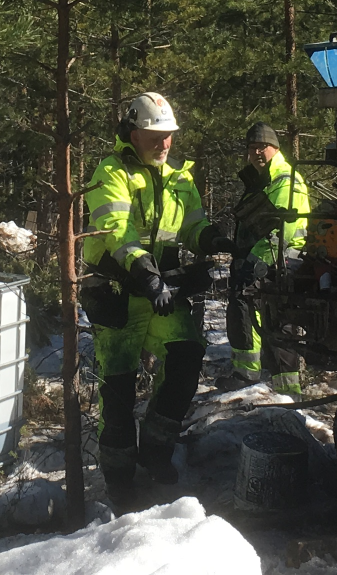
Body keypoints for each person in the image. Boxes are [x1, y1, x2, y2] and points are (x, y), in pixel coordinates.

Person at [81, 92, 236, 507]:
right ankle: (118, 476)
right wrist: (143, 273)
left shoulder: (180, 177)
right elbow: (116, 229)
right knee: (117, 390)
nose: (164, 143)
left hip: (159, 289)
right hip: (115, 289)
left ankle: (156, 451)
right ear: (133, 133)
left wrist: (211, 238)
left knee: (186, 358)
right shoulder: (111, 172)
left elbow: (191, 225)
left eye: (168, 135)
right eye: (155, 135)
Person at [219, 122, 311, 398]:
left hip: (281, 259)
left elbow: (284, 227)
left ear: (275, 148)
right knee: (250, 310)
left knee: (272, 315)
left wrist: (255, 264)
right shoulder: (263, 179)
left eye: (263, 147)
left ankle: (280, 387)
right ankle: (254, 376)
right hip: (263, 256)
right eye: (252, 147)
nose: (257, 152)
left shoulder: (284, 179)